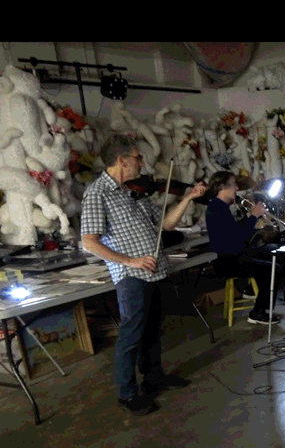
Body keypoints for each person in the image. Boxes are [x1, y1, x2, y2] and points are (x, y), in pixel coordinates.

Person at [80, 135, 207, 417]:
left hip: (156, 271)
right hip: (131, 275)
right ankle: (127, 393)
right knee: (131, 335)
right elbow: (89, 241)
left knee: (153, 330)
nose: (142, 162)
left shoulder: (134, 191)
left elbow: (165, 225)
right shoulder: (98, 193)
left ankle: (154, 378)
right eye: (138, 157)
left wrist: (187, 198)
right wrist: (130, 260)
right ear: (122, 160)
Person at [205, 171, 285, 325]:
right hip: (228, 261)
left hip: (234, 255)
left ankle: (251, 290)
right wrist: (254, 217)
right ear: (222, 187)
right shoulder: (217, 208)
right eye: (233, 185)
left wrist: (249, 217)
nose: (236, 188)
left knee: (271, 251)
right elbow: (240, 237)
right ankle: (258, 312)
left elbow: (233, 230)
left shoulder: (219, 206)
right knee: (274, 269)